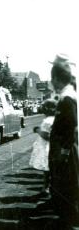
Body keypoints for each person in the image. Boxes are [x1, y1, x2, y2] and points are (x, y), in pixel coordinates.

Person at [49, 54, 78, 229]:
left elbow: (72, 125)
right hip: (63, 149)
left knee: (68, 185)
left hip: (65, 151)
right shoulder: (66, 96)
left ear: (58, 79)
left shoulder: (68, 98)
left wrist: (64, 152)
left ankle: (70, 222)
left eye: (53, 79)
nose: (52, 83)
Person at [29, 99, 57, 194]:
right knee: (49, 170)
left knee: (47, 170)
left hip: (47, 147)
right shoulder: (56, 119)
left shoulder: (48, 121)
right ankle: (47, 187)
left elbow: (47, 136)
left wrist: (37, 130)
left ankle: (47, 188)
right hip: (53, 146)